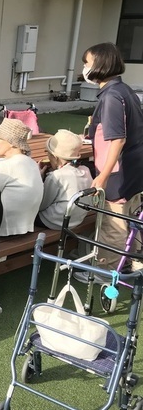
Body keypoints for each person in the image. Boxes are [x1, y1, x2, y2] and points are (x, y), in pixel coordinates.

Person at [78, 42, 143, 275]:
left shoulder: (112, 96)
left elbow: (118, 139)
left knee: (113, 223)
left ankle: (105, 273)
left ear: (100, 65)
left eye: (87, 63)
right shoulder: (124, 91)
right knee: (130, 218)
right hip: (134, 169)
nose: (84, 68)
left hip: (119, 172)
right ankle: (134, 262)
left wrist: (103, 176)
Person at [0, 118, 43, 236]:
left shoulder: (5, 167)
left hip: (5, 229)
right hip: (26, 225)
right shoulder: (31, 162)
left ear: (11, 143)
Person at [37, 130, 93, 230]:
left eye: (49, 155)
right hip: (77, 219)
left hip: (56, 221)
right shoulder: (86, 170)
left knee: (24, 212)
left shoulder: (56, 176)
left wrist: (39, 179)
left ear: (55, 157)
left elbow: (41, 205)